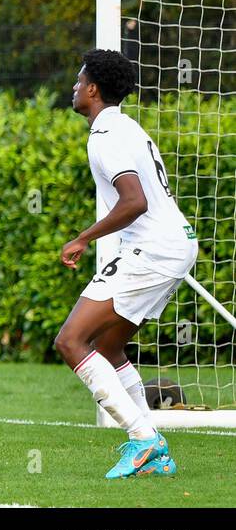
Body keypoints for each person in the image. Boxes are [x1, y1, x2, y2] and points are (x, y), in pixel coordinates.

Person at [55, 49, 197, 478]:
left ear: (93, 89)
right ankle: (158, 452)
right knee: (109, 347)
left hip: (152, 248)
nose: (75, 88)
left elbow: (133, 201)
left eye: (79, 81)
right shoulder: (125, 125)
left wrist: (83, 237)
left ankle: (143, 440)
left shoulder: (106, 136)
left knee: (70, 341)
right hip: (174, 243)